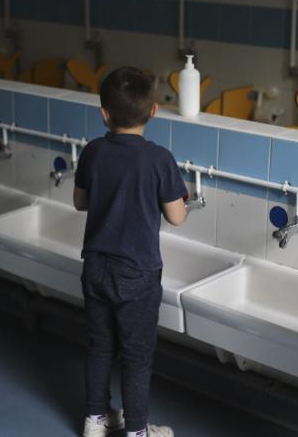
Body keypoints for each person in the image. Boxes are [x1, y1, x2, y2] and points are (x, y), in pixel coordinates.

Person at [73, 67, 187, 437]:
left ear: (103, 112)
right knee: (136, 357)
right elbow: (176, 216)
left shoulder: (93, 151)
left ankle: (96, 419)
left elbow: (80, 202)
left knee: (100, 346)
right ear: (153, 111)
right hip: (137, 273)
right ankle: (137, 431)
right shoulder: (159, 159)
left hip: (95, 266)